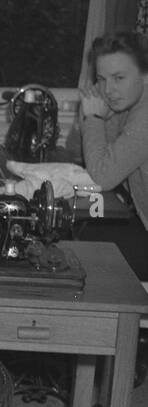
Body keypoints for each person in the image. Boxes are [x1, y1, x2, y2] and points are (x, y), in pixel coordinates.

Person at [77, 30, 148, 279]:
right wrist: (96, 111)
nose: (109, 89)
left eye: (119, 78)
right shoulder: (131, 102)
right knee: (85, 236)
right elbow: (92, 151)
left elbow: (102, 177)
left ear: (145, 74)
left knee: (88, 258)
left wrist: (94, 117)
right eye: (102, 79)